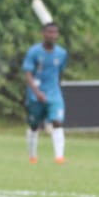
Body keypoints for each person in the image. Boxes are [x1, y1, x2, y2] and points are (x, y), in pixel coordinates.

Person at [22, 21, 68, 163]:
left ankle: (59, 157)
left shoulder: (62, 53)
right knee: (34, 125)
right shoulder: (34, 52)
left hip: (54, 93)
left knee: (57, 122)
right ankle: (32, 156)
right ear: (43, 33)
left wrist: (56, 89)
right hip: (36, 94)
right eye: (49, 32)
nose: (52, 35)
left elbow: (59, 72)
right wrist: (36, 92)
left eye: (55, 32)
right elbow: (28, 74)